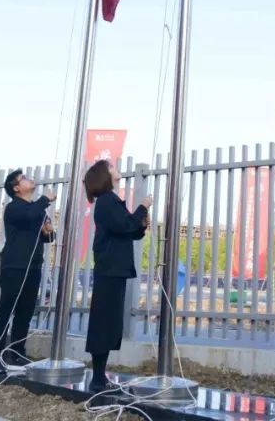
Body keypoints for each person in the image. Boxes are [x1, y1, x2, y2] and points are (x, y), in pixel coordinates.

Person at [84, 159, 152, 393]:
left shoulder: (111, 200)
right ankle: (97, 379)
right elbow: (125, 225)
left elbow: (130, 230)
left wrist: (141, 224)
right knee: (103, 322)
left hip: (115, 269)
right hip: (109, 268)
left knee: (110, 323)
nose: (115, 168)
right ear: (105, 175)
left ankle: (100, 377)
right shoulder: (105, 201)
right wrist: (142, 207)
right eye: (111, 166)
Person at [0, 169, 57, 376]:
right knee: (6, 309)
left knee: (25, 312)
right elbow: (29, 215)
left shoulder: (36, 210)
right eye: (23, 179)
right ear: (17, 188)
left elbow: (48, 237)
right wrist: (45, 199)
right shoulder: (14, 208)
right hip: (14, 266)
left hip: (33, 266)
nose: (29, 179)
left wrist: (48, 232)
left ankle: (17, 352)